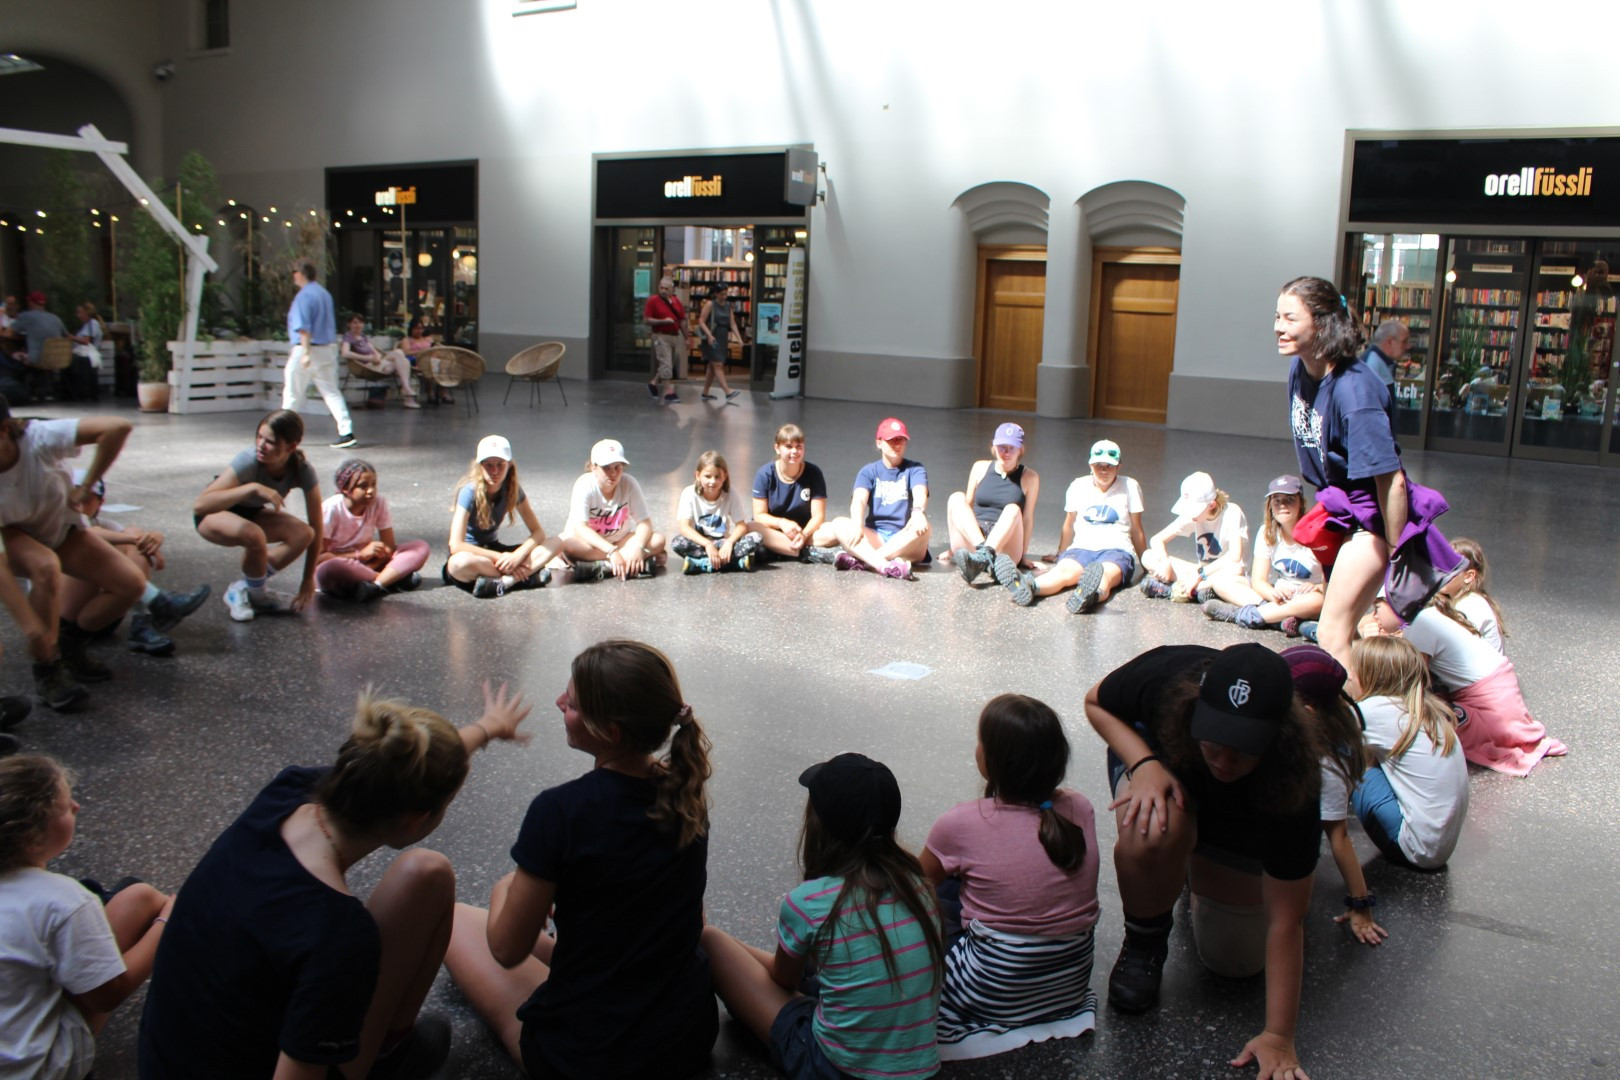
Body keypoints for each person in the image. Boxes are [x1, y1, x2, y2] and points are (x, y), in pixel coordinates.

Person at [138, 682, 532, 1079]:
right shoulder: (339, 933)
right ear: (416, 820)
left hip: (170, 1054)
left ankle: (389, 1048)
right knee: (424, 878)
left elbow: (400, 766)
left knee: (428, 873)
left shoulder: (290, 790)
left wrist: (486, 728)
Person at [444, 641, 718, 1079]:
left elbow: (507, 950)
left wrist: (504, 889)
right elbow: (689, 917)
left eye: (571, 704)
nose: (558, 702)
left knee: (457, 920)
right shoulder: (685, 793)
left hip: (589, 1058)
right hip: (685, 1038)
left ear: (610, 731)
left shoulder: (559, 811)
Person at [1085, 642, 1355, 1080]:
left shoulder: (1295, 781)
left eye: (1242, 750)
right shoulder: (1170, 678)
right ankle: (1144, 941)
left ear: (1276, 738)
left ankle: (1193, 860)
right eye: (1214, 742)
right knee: (1152, 829)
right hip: (1162, 769)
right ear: (1195, 710)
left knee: (1235, 962)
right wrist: (1144, 763)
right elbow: (1097, 702)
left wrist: (1279, 1036)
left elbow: (1287, 920)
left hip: (1238, 816)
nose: (1224, 761)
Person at [702, 752, 945, 1080]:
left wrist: (731, 951)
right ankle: (733, 948)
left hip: (837, 1068)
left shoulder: (809, 902)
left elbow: (783, 980)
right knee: (799, 966)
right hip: (921, 1070)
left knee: (711, 942)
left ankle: (724, 945)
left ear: (819, 826)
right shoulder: (919, 888)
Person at [1279, 275, 1462, 686]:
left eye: (1290, 318)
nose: (1279, 327)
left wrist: (1397, 553)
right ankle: (1370, 704)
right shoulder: (1299, 369)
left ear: (1322, 324)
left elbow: (1391, 481)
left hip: (1372, 519)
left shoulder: (1356, 392)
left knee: (1331, 635)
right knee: (1346, 629)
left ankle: (1358, 720)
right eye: (1277, 317)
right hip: (1340, 510)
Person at [920, 695, 1100, 1060]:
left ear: (992, 760)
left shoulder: (961, 822)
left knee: (939, 891)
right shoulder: (1078, 807)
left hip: (988, 992)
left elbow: (914, 887)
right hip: (1068, 986)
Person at [1, 754, 173, 1080]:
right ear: (32, 838)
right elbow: (105, 995)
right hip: (33, 1070)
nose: (77, 806)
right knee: (142, 899)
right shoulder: (61, 899)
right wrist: (166, 923)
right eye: (65, 807)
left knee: (133, 897)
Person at [0, 401, 142, 708]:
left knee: (131, 584)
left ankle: (70, 645)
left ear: (4, 431)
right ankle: (47, 670)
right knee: (45, 566)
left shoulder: (37, 438)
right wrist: (32, 629)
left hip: (62, 531)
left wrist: (87, 485)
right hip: (11, 535)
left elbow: (116, 427)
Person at [1369, 595, 1564, 777]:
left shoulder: (1418, 624)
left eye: (1377, 608)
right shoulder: (1428, 615)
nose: (1374, 616)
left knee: (1430, 722)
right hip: (1500, 692)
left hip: (1490, 702)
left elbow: (1412, 682)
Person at [1275, 646, 1385, 947]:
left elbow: (1340, 837)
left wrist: (1361, 903)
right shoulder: (1339, 717)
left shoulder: (1326, 767)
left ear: (1306, 712)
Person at [1339, 636, 1469, 874]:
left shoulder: (1377, 710)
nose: (1350, 677)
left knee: (1348, 755)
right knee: (1365, 748)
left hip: (1413, 848)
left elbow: (1327, 732)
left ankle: (1326, 822)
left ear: (1369, 677)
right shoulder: (1428, 709)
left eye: (1354, 672)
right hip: (1439, 846)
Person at [193, 408, 322, 623]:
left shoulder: (302, 470)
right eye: (259, 437)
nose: (261, 445)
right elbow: (200, 505)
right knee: (254, 534)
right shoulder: (248, 460)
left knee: (304, 533)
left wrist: (308, 578)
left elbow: (317, 523)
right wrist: (251, 488)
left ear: (291, 447)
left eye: (270, 442)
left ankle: (246, 588)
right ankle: (257, 594)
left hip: (250, 513)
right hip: (213, 513)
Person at [996, 438, 1144, 612]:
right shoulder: (1078, 485)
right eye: (1098, 465)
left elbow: (1136, 529)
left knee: (1105, 575)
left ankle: (1088, 595)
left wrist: (1146, 564)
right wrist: (1061, 554)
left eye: (1109, 466)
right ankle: (1029, 586)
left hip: (1116, 550)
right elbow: (1069, 524)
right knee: (1062, 572)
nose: (1104, 470)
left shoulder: (1130, 486)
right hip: (1081, 548)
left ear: (1119, 466)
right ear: (1090, 465)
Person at [73, 474, 211, 656]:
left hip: (100, 617)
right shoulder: (54, 524)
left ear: (100, 502)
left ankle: (143, 622)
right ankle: (158, 603)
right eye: (73, 498)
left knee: (133, 534)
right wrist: (133, 539)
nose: (79, 505)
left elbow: (129, 536)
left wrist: (153, 537)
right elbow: (86, 533)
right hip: (66, 619)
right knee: (103, 540)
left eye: (86, 499)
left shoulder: (105, 524)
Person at [1202, 474, 1324, 635]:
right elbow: (1259, 581)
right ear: (1270, 506)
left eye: (1290, 500)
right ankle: (1280, 620)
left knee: (1316, 600)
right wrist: (1274, 594)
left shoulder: (1316, 533)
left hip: (1308, 598)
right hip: (1278, 598)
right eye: (1277, 501)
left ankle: (1242, 615)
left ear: (1301, 503)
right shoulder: (1266, 532)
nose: (1282, 506)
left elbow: (1334, 582)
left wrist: (1317, 587)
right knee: (1222, 583)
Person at [443, 435, 563, 599]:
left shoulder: (512, 489)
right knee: (458, 564)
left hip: (495, 550)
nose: (495, 471)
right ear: (479, 466)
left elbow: (538, 532)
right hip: (474, 554)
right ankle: (524, 577)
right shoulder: (469, 492)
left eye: (500, 464)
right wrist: (501, 558)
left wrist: (517, 556)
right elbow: (456, 545)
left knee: (556, 542)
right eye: (489, 465)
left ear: (510, 465)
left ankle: (506, 581)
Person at [826, 416, 930, 580]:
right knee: (839, 523)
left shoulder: (915, 469)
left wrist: (918, 512)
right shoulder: (868, 471)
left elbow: (920, 492)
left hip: (905, 538)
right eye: (891, 440)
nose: (897, 444)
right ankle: (886, 566)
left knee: (925, 528)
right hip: (877, 535)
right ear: (879, 443)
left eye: (901, 439)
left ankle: (866, 562)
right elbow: (859, 500)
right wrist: (857, 524)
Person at [315, 459, 430, 602]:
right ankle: (391, 579)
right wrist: (359, 555)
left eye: (374, 484)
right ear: (345, 489)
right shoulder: (330, 509)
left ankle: (375, 585)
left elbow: (389, 546)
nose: (371, 491)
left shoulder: (379, 502)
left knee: (420, 547)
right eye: (363, 486)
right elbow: (319, 558)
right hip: (342, 566)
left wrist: (377, 556)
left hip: (370, 563)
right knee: (330, 568)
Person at [560, 438, 665, 581]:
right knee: (568, 545)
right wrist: (611, 551)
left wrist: (638, 547)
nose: (613, 473)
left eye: (617, 467)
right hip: (591, 544)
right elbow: (581, 528)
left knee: (658, 539)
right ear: (593, 467)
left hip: (619, 541)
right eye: (606, 468)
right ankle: (627, 562)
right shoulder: (584, 485)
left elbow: (644, 522)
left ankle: (604, 567)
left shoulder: (629, 483)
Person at [948, 422, 1039, 585]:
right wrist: (952, 548)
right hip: (975, 539)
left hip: (1005, 542)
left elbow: (1027, 519)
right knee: (956, 497)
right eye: (1002, 447)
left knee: (1013, 509)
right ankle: (983, 555)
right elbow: (967, 506)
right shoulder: (979, 467)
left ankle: (984, 557)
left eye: (1012, 448)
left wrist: (1024, 555)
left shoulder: (1030, 477)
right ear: (994, 447)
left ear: (1020, 450)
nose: (1006, 452)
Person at [280, 262, 356, 450]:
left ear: (301, 274)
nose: (293, 275)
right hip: (327, 348)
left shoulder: (303, 296)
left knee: (293, 392)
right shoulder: (324, 294)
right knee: (331, 392)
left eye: (294, 272)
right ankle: (346, 431)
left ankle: (281, 431)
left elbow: (304, 328)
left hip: (307, 348)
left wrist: (305, 353)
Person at [1140, 471, 1248, 602]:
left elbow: (1235, 556)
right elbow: (1157, 539)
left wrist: (1200, 574)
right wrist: (1165, 562)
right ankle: (1198, 590)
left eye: (1193, 510)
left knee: (1235, 569)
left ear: (1211, 505)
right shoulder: (1194, 516)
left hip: (1225, 573)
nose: (1190, 514)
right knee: (1148, 556)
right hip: (1201, 573)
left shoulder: (1232, 512)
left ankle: (1178, 589)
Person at [750, 423, 834, 562]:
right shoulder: (764, 474)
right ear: (777, 448)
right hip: (774, 531)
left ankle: (783, 550)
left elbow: (819, 516)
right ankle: (806, 552)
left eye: (799, 447)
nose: (794, 451)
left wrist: (804, 534)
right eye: (789, 447)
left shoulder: (814, 472)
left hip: (803, 533)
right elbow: (759, 516)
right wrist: (782, 523)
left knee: (832, 530)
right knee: (751, 527)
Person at [672, 450, 763, 574]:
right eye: (707, 476)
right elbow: (684, 528)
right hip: (700, 543)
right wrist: (707, 544)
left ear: (724, 476)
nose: (713, 481)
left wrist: (729, 543)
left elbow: (741, 526)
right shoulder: (689, 494)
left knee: (756, 537)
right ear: (698, 475)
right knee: (677, 543)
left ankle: (701, 563)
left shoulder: (730, 494)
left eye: (717, 476)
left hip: (723, 544)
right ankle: (732, 563)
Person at [1438, 537, 1505, 652]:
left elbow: (1448, 646)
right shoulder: (1458, 600)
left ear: (1468, 576)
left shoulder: (1471, 606)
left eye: (1450, 568)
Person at [339, 314, 420, 410]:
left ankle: (406, 389)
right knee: (403, 361)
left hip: (377, 363)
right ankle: (407, 393)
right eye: (355, 323)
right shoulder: (348, 337)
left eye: (360, 322)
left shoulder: (362, 336)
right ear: (349, 324)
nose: (358, 325)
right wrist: (369, 358)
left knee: (400, 354)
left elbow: (374, 351)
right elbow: (345, 353)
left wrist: (377, 356)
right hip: (366, 366)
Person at [696, 285, 743, 401]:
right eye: (721, 294)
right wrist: (709, 335)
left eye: (725, 294)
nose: (724, 296)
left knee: (712, 366)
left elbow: (732, 323)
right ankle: (728, 392)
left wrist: (739, 338)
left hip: (723, 337)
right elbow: (701, 321)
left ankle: (705, 392)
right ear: (716, 294)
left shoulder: (728, 306)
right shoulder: (710, 304)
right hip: (711, 337)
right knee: (718, 364)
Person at [644, 276, 685, 405]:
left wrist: (687, 337)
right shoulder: (653, 301)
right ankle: (668, 392)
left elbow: (682, 320)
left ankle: (653, 383)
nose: (663, 290)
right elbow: (646, 320)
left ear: (672, 289)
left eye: (666, 288)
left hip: (674, 335)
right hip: (660, 335)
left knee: (668, 363)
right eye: (661, 288)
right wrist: (663, 321)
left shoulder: (677, 302)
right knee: (666, 363)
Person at [1360, 319, 1407, 399]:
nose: (1407, 346)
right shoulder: (1373, 362)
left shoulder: (1384, 362)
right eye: (1404, 342)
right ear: (1389, 342)